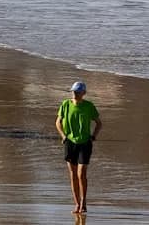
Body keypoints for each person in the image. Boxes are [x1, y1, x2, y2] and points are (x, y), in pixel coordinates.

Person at [56, 81, 102, 214]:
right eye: (73, 91)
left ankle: (83, 201)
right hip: (70, 142)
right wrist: (63, 136)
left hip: (84, 143)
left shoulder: (89, 106)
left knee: (81, 174)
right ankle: (76, 203)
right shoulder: (65, 104)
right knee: (73, 175)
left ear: (84, 93)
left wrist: (93, 136)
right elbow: (58, 122)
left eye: (78, 92)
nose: (75, 94)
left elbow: (99, 123)